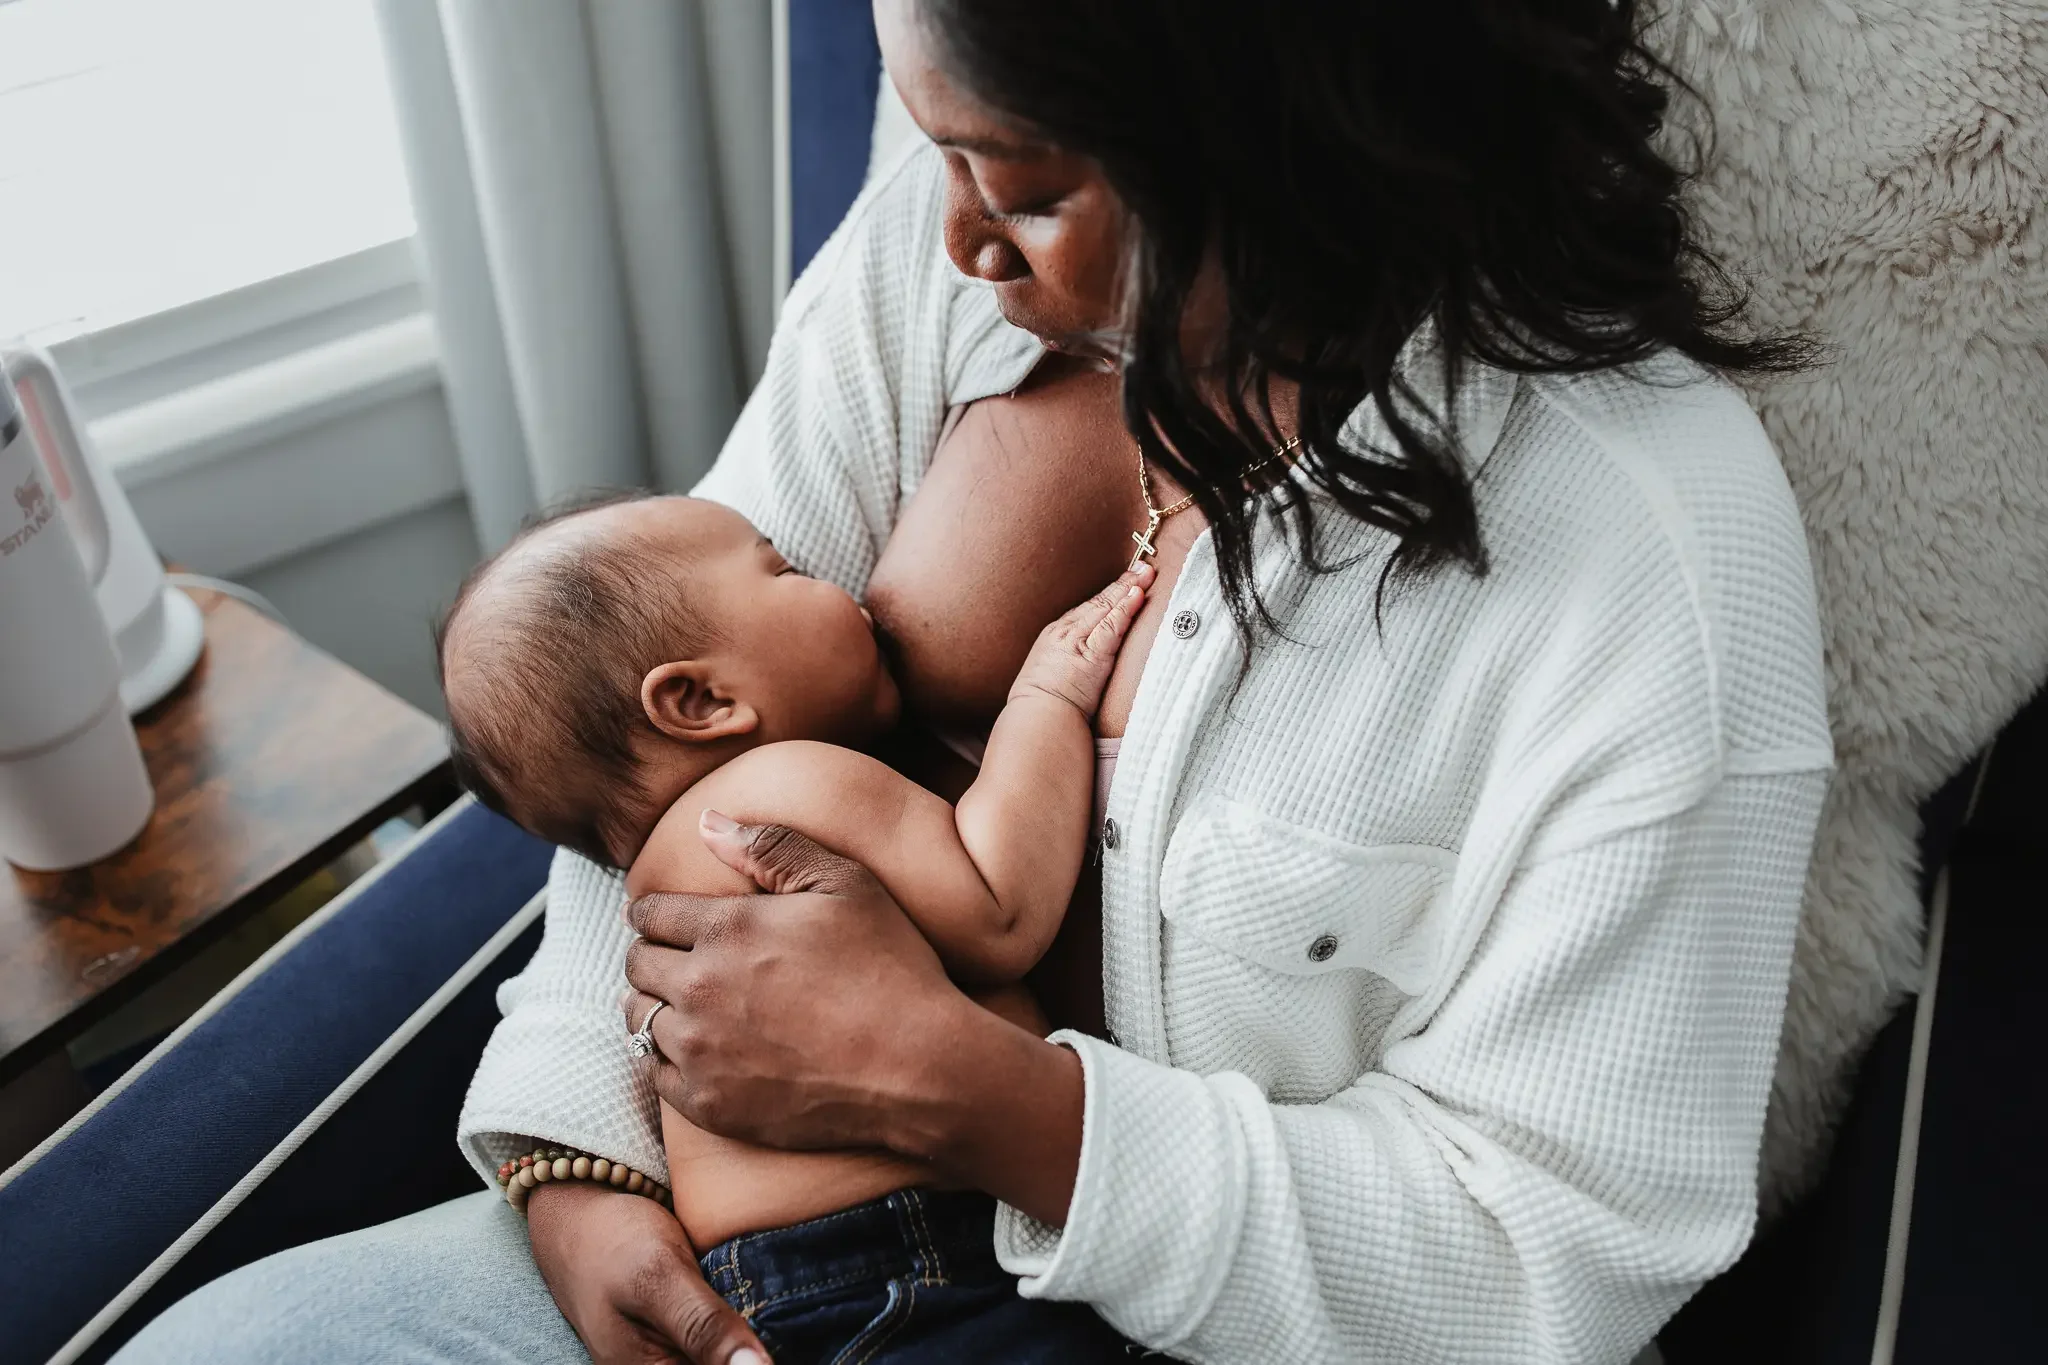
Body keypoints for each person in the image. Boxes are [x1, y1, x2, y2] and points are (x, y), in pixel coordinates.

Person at [115, 1, 1831, 1362]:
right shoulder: (930, 274)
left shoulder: (1648, 553)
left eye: (1017, 182)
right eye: (927, 145)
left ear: (1279, 145)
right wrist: (579, 1153)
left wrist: (976, 1097)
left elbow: (1552, 1252)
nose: (952, 241)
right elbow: (636, 718)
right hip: (754, 1238)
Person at [432, 487, 1154, 1357]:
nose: (839, 584)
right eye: (784, 569)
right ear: (700, 700)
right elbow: (1001, 911)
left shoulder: (664, 863)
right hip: (908, 1256)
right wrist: (1046, 696)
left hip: (777, 1284)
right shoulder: (784, 783)